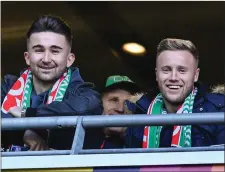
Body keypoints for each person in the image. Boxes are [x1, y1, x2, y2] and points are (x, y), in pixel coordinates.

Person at [1, 15, 102, 151]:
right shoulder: (8, 87)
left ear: (69, 59)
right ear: (27, 57)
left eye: (55, 51)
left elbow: (88, 105)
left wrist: (29, 114)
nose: (46, 59)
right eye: (39, 50)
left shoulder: (83, 94)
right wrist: (24, 132)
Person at [128, 38, 225, 148]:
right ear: (156, 74)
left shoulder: (219, 110)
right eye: (166, 70)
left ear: (195, 75)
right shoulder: (140, 112)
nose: (173, 77)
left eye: (182, 70)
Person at [84, 75, 150, 149]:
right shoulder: (81, 137)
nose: (120, 109)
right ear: (99, 103)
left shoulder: (143, 140)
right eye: (114, 100)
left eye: (128, 102)